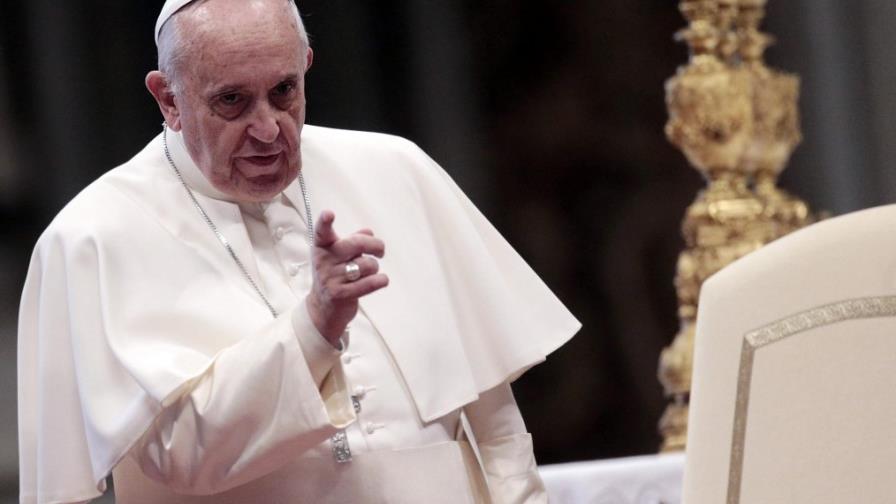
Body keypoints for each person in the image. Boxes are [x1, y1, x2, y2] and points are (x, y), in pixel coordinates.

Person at [17, 0, 580, 502]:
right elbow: (180, 454)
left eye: (284, 91)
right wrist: (314, 328)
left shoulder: (394, 169)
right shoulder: (94, 235)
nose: (268, 130)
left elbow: (491, 414)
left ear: (307, 64)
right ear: (168, 98)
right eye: (232, 101)